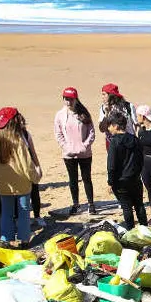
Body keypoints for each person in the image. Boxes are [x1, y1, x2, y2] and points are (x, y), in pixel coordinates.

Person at [0, 107, 42, 248]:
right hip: (22, 182)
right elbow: (26, 164)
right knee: (23, 212)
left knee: (7, 212)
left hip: (3, 183)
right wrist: (35, 177)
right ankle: (24, 240)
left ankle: (6, 239)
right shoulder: (17, 140)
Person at [54, 87, 96, 215]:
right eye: (66, 99)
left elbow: (91, 132)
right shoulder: (60, 115)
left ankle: (91, 204)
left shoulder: (83, 113)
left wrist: (85, 146)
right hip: (69, 154)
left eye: (71, 99)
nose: (68, 102)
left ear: (76, 99)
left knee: (86, 178)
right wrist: (66, 147)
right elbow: (58, 134)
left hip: (85, 153)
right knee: (73, 180)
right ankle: (75, 204)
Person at [102, 111, 147, 229]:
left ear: (116, 126)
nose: (109, 128)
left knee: (126, 208)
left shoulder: (114, 142)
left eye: (110, 125)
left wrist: (110, 182)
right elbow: (141, 159)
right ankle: (145, 229)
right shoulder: (135, 139)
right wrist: (137, 173)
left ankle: (131, 231)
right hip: (135, 178)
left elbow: (111, 165)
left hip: (120, 181)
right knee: (139, 205)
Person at [99, 83, 136, 149]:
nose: (102, 97)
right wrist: (106, 114)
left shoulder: (129, 106)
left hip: (129, 142)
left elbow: (136, 124)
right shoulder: (103, 108)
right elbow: (102, 129)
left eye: (104, 94)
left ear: (111, 95)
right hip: (112, 143)